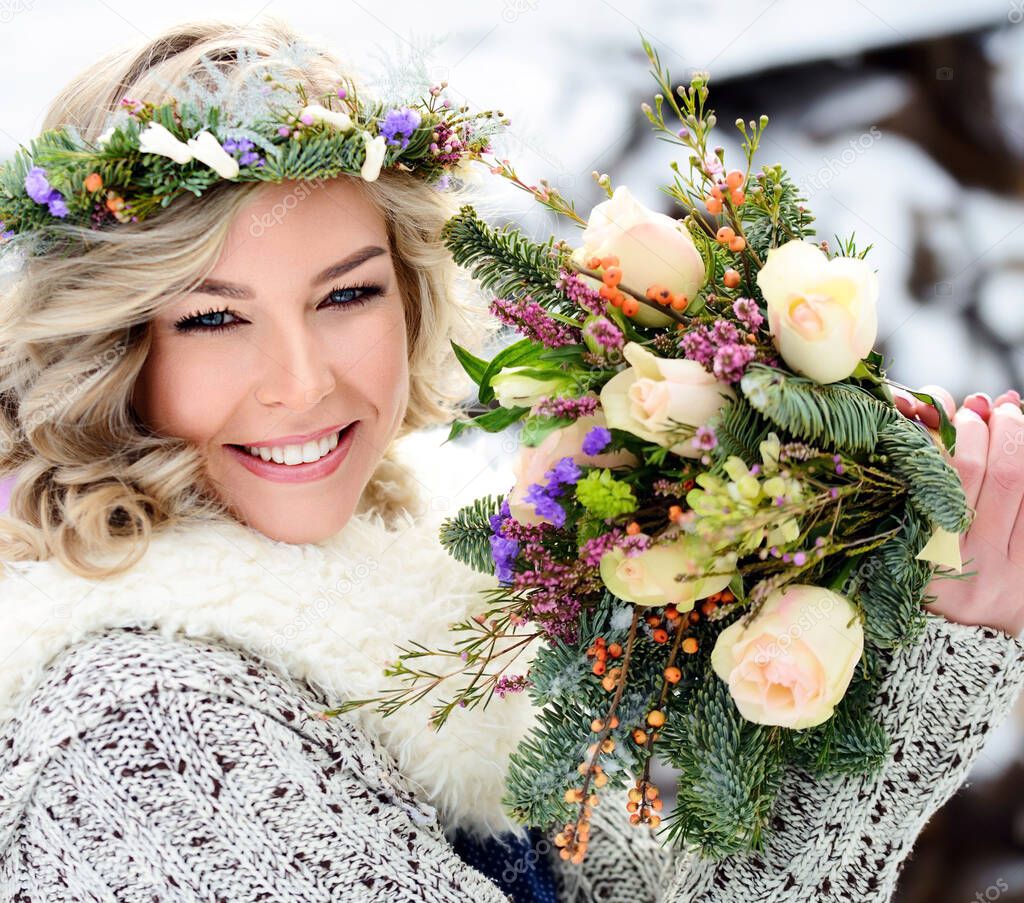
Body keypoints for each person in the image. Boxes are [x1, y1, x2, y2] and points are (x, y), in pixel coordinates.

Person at [0, 16, 1022, 903]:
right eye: (215, 318)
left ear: (409, 298)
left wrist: (943, 635)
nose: (301, 381)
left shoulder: (425, 607)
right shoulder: (150, 734)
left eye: (347, 294)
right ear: (113, 345)